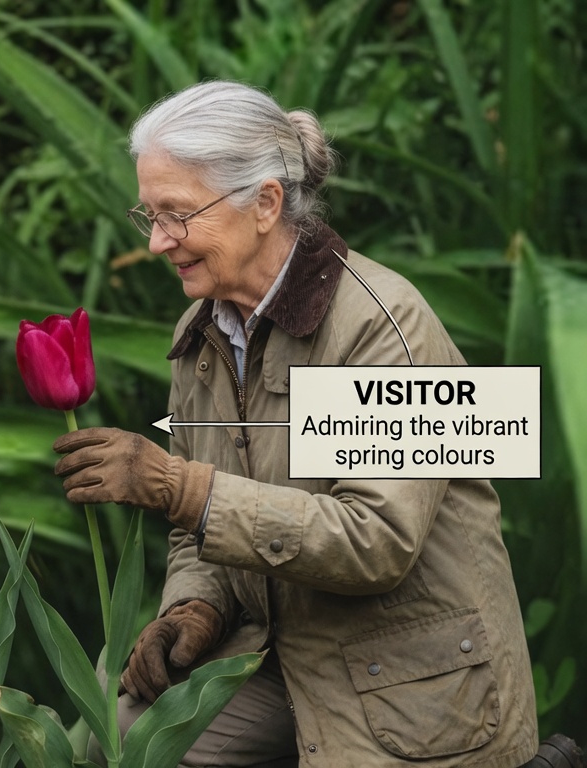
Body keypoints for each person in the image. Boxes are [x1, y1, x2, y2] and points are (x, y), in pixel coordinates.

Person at [53, 81, 580, 767]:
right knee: (118, 737)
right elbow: (196, 536)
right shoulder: (203, 331)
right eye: (147, 215)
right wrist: (194, 609)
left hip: (405, 674)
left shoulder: (384, 325)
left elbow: (377, 541)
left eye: (177, 215)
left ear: (265, 203)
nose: (157, 243)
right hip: (282, 650)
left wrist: (178, 486)